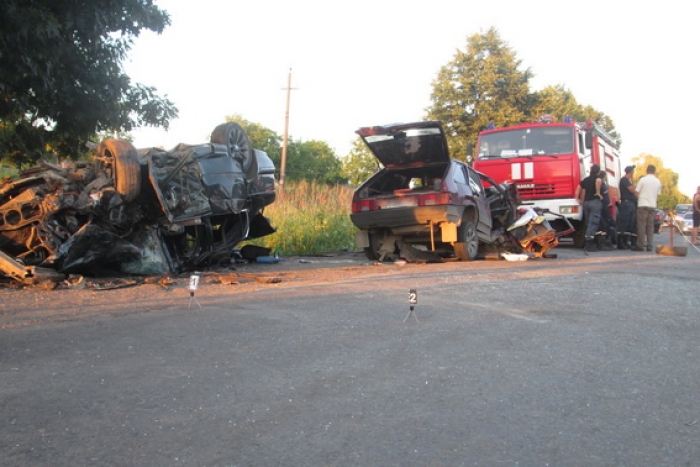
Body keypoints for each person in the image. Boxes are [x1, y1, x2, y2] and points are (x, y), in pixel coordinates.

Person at [633, 165, 662, 252]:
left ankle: (640, 245)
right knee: (650, 226)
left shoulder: (643, 180)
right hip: (652, 205)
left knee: (641, 225)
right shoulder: (658, 181)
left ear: (647, 170)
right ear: (654, 171)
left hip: (643, 205)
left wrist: (639, 198)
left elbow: (636, 191)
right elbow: (658, 193)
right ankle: (649, 245)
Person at [575, 164, 603, 252]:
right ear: (598, 171)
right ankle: (589, 244)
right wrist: (598, 192)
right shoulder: (597, 178)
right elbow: (598, 181)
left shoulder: (585, 180)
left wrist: (577, 198)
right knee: (593, 223)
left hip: (586, 203)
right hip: (594, 202)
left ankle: (588, 242)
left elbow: (578, 188)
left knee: (588, 223)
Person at [617, 165, 637, 249]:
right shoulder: (624, 180)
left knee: (629, 223)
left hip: (630, 204)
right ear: (631, 172)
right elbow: (632, 189)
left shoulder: (627, 180)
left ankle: (625, 241)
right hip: (626, 204)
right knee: (624, 223)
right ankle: (620, 242)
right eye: (633, 172)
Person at [596, 171, 615, 250]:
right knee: (603, 225)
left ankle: (608, 241)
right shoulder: (600, 184)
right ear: (604, 176)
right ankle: (602, 243)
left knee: (611, 223)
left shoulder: (603, 184)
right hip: (602, 208)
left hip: (605, 207)